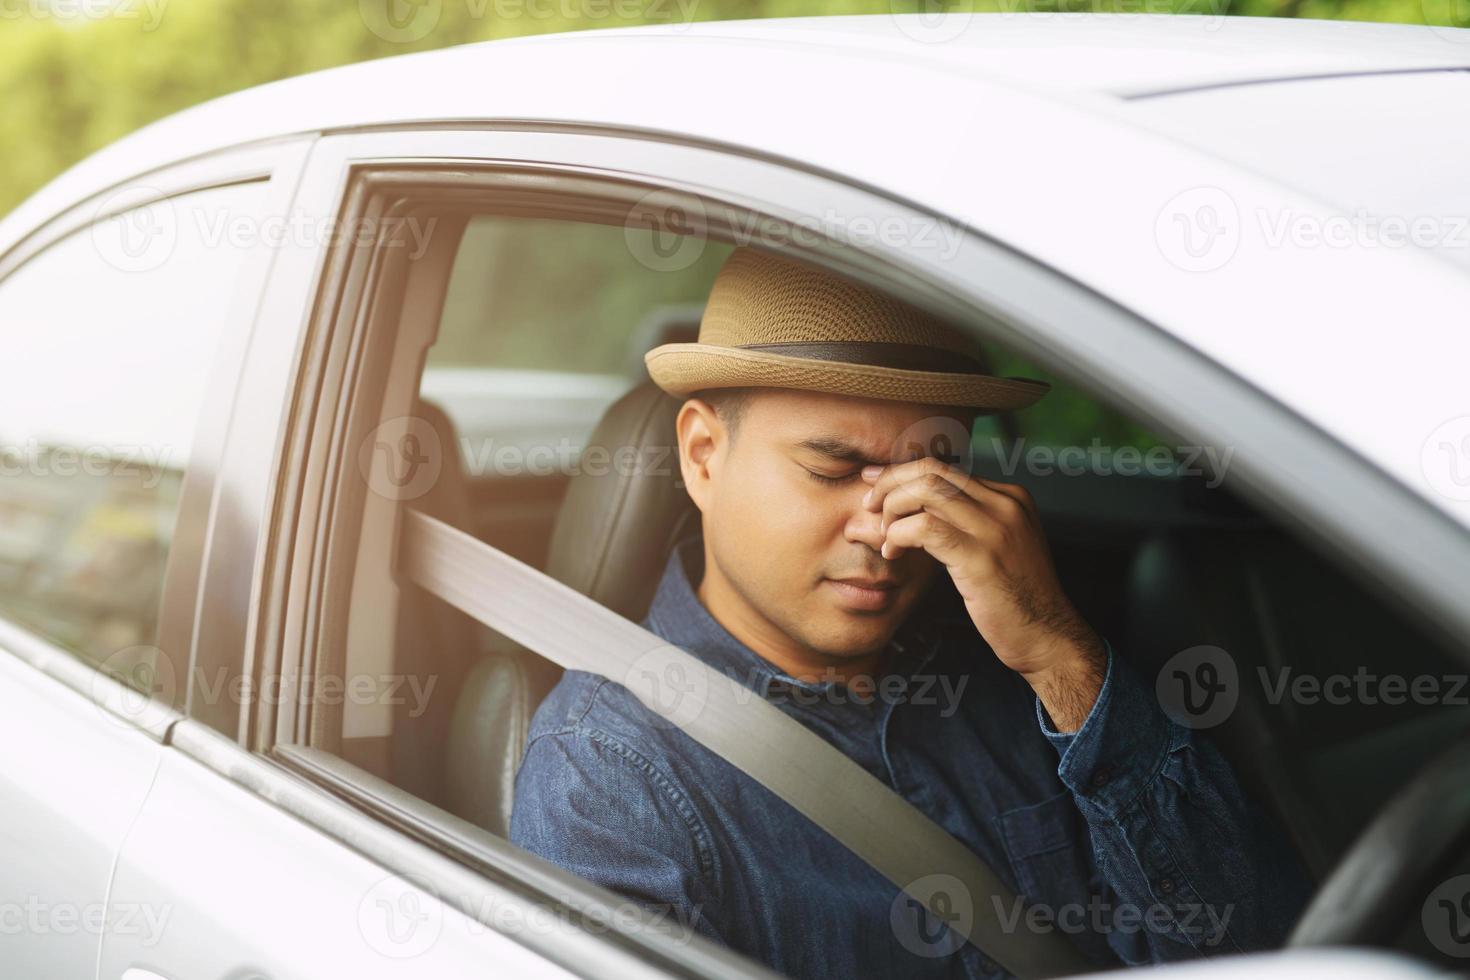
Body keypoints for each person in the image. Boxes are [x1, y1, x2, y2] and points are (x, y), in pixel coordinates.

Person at [510, 246, 1309, 978]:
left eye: (937, 477)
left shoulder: (1012, 668)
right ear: (703, 456)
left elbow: (1258, 956)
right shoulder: (611, 779)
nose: (890, 532)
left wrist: (1060, 657)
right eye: (834, 467)